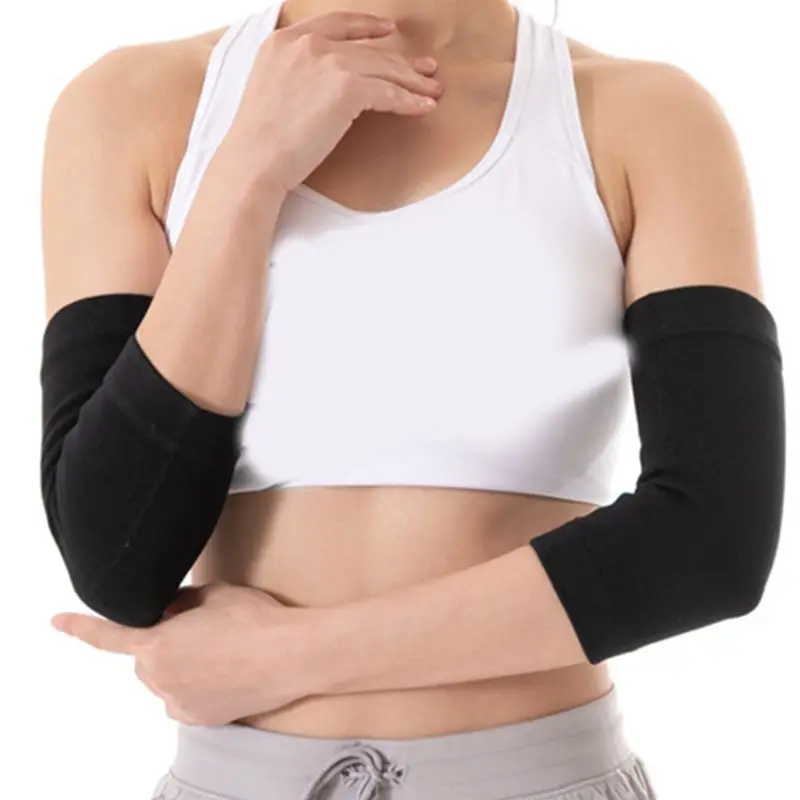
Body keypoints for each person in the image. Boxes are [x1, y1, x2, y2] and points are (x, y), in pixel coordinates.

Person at [39, 0, 784, 798]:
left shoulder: (643, 115)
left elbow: (713, 539)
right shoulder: (134, 105)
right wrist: (248, 169)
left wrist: (293, 656)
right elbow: (116, 559)